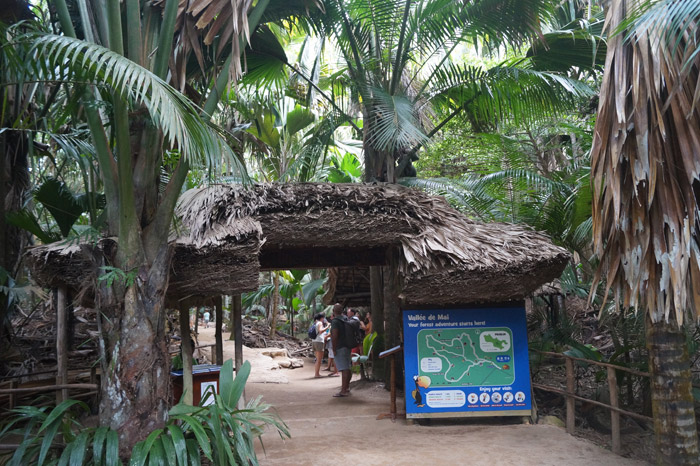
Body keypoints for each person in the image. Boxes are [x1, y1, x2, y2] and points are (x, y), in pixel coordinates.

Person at [331, 303, 352, 397]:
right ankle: (346, 387)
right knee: (347, 367)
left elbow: (335, 335)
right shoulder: (346, 319)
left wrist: (334, 348)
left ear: (333, 311)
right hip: (347, 345)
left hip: (340, 346)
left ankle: (343, 390)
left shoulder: (335, 321)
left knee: (344, 369)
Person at [312, 313, 330, 378]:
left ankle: (316, 373)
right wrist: (327, 327)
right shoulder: (320, 323)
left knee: (317, 359)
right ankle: (317, 374)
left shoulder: (315, 323)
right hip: (319, 341)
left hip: (314, 341)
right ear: (321, 318)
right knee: (319, 359)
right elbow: (320, 331)